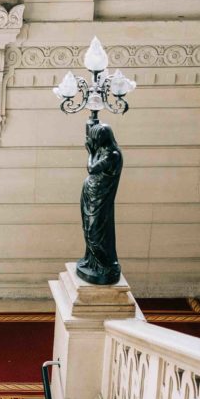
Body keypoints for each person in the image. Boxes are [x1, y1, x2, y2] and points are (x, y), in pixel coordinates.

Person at [77, 119, 123, 285]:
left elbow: (92, 169)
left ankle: (104, 265)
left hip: (100, 201)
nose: (93, 142)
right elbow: (88, 136)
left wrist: (90, 153)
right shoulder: (102, 149)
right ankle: (91, 261)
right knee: (87, 228)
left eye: (96, 138)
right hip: (91, 195)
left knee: (95, 232)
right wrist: (92, 120)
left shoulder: (112, 154)